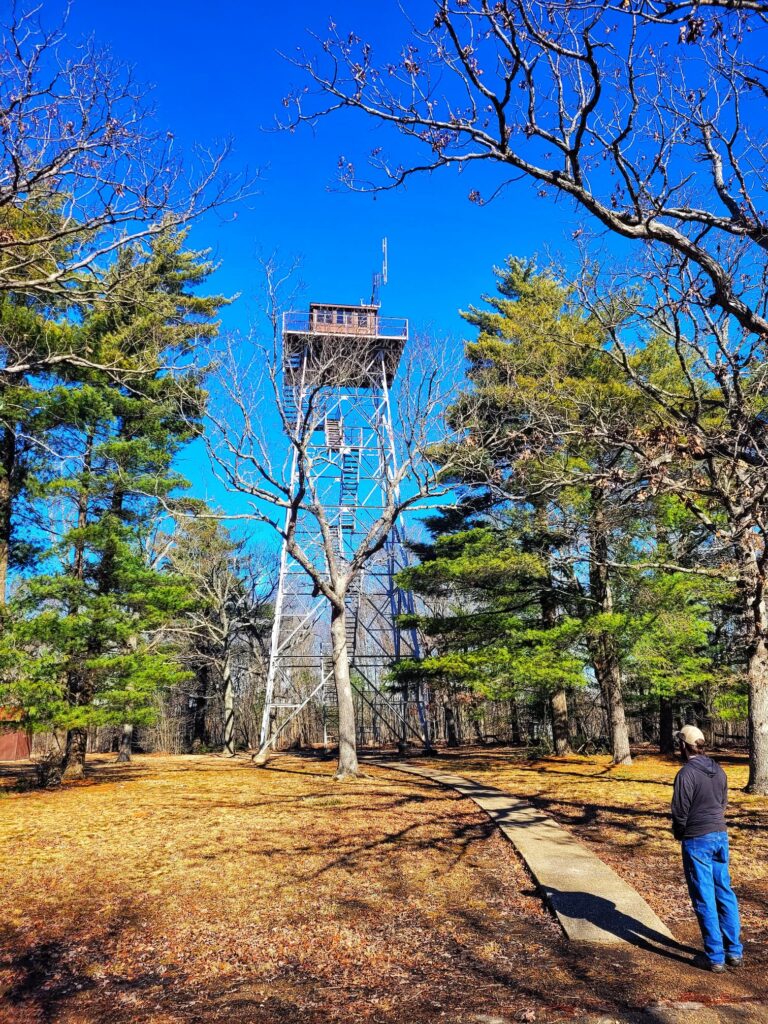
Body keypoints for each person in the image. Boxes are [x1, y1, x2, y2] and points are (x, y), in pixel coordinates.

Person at [671, 724, 744, 973]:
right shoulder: (719, 770)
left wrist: (680, 834)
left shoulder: (686, 774)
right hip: (720, 835)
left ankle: (714, 956)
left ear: (683, 745)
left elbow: (680, 812)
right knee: (724, 890)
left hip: (697, 838)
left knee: (704, 895)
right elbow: (723, 803)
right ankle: (734, 950)